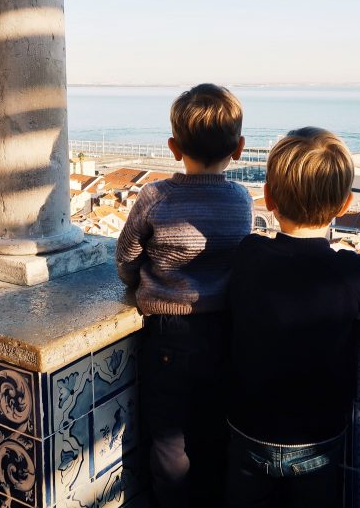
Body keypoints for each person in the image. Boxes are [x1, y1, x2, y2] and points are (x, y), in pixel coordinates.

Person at [226, 127, 360, 508]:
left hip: (247, 428)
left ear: (268, 198)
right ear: (345, 204)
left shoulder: (249, 254)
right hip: (314, 438)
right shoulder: (349, 271)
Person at [116, 83, 253, 508]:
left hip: (169, 337)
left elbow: (126, 256)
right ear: (240, 148)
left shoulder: (156, 196)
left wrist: (138, 283)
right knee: (213, 431)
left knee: (168, 437)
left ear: (174, 147)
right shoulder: (242, 199)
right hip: (225, 333)